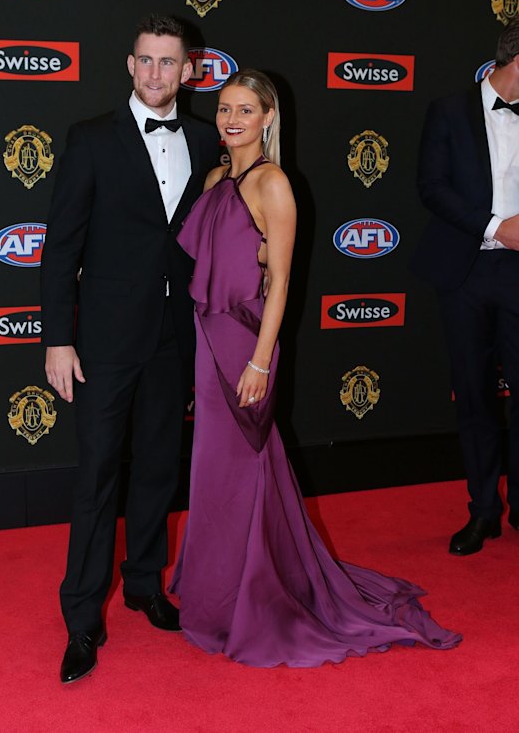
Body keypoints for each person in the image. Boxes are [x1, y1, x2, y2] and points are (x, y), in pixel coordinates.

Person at [169, 69, 461, 667]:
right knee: (214, 473)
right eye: (224, 108)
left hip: (247, 342)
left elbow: (281, 284)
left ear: (268, 117)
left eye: (245, 109)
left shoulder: (273, 183)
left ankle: (252, 598)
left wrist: (259, 360)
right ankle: (212, 590)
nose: (230, 119)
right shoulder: (216, 176)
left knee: (244, 471)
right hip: (207, 335)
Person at [41, 14, 218, 684]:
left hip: (175, 340)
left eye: (168, 62)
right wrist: (58, 338)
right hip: (105, 343)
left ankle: (145, 582)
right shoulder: (90, 140)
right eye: (145, 60)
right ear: (129, 64)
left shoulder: (206, 142)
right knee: (96, 478)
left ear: (189, 69)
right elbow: (60, 250)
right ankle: (81, 618)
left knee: (156, 471)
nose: (155, 73)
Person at [414, 21, 519, 556]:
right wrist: (495, 226)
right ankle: (484, 511)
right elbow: (430, 187)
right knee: (474, 396)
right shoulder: (450, 110)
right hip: (466, 270)